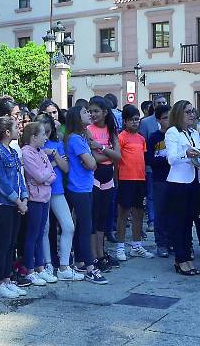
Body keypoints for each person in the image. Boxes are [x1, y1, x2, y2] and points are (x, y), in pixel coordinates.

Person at [35, 113, 82, 281]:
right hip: (39, 192)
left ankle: (64, 266)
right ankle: (47, 264)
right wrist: (53, 162)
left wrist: (53, 154)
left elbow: (66, 167)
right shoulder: (32, 146)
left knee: (68, 226)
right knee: (44, 229)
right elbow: (35, 169)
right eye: (42, 132)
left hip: (56, 190)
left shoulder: (57, 145)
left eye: (48, 131)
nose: (45, 136)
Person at [65, 106, 108, 284]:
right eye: (85, 112)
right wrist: (89, 161)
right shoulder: (75, 139)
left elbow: (92, 163)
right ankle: (90, 267)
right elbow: (91, 164)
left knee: (83, 224)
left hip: (85, 186)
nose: (89, 115)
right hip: (78, 188)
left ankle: (80, 261)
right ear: (77, 118)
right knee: (85, 226)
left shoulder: (82, 137)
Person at [0, 117, 29, 299]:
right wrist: (18, 201)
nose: (19, 130)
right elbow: (2, 182)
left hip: (16, 203)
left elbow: (19, 177)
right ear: (6, 132)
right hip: (3, 203)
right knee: (2, 243)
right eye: (15, 127)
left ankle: (7, 278)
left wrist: (24, 197)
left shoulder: (12, 152)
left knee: (11, 242)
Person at [165, 100, 200, 275]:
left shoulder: (194, 133)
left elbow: (197, 155)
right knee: (178, 223)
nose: (192, 115)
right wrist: (185, 153)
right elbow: (171, 159)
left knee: (189, 222)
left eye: (193, 111)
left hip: (194, 180)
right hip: (178, 183)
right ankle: (180, 259)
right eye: (188, 112)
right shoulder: (173, 132)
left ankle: (187, 256)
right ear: (179, 114)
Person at [87, 96, 122, 271]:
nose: (93, 114)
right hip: (94, 176)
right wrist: (109, 153)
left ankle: (101, 253)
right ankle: (94, 256)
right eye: (90, 111)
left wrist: (101, 148)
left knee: (104, 217)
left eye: (96, 111)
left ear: (105, 112)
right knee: (94, 216)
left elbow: (119, 156)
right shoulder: (88, 130)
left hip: (108, 176)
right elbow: (93, 158)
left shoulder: (112, 130)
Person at [21, 122, 58, 285]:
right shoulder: (26, 153)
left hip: (45, 196)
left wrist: (45, 177)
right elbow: (39, 176)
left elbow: (51, 174)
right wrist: (45, 177)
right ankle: (30, 269)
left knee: (41, 232)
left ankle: (40, 267)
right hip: (34, 199)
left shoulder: (41, 152)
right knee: (33, 234)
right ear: (34, 137)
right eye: (43, 134)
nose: (45, 138)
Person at [115, 104, 154, 261]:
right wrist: (116, 179)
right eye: (132, 120)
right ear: (125, 121)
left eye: (137, 120)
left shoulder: (141, 139)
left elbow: (142, 160)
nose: (135, 122)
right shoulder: (121, 137)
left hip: (140, 179)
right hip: (125, 179)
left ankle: (136, 245)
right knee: (123, 214)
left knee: (138, 213)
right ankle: (120, 246)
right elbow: (117, 161)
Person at [146, 104, 172, 258]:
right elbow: (149, 159)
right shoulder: (154, 137)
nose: (168, 120)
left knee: (173, 212)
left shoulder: (176, 135)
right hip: (160, 179)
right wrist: (167, 159)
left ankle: (172, 241)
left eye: (170, 117)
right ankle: (161, 243)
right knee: (160, 212)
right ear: (158, 120)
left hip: (176, 179)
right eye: (165, 118)